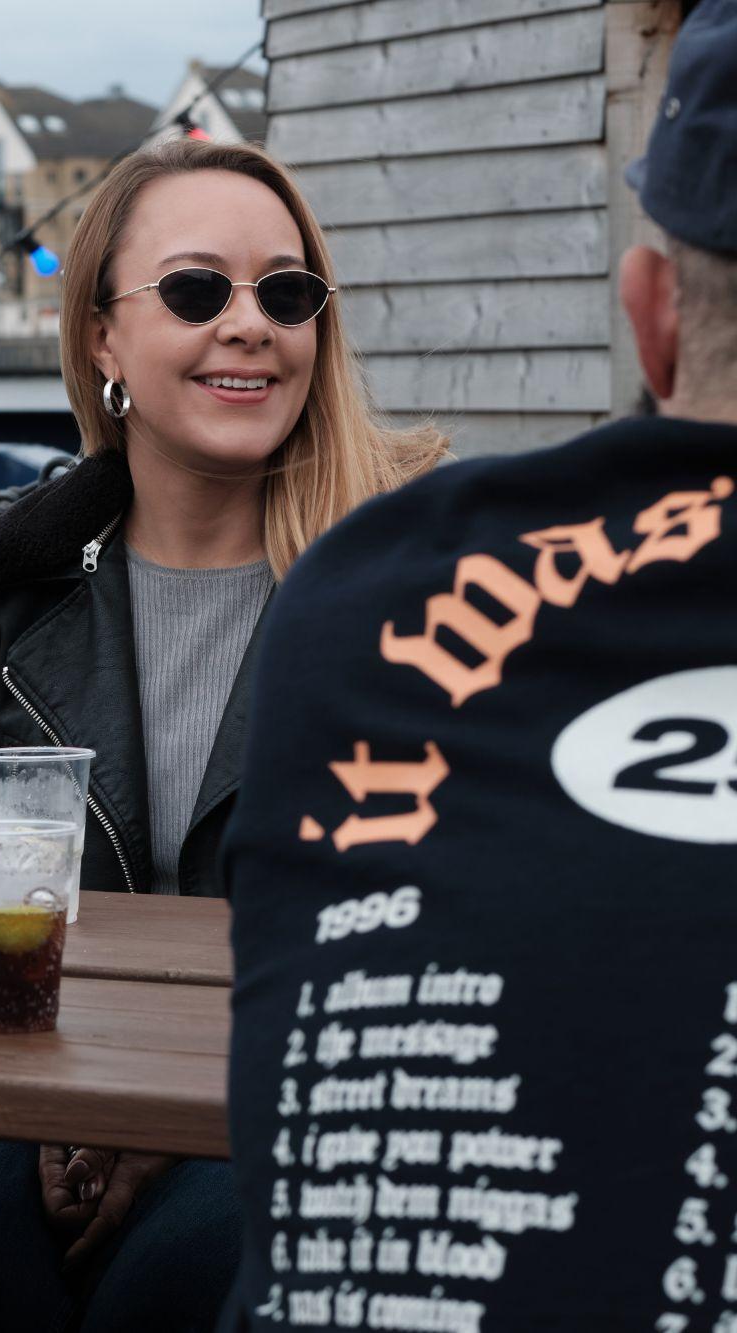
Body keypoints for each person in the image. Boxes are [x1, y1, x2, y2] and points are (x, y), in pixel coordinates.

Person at [0, 137, 444, 1332]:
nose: (250, 324)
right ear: (101, 337)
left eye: (286, 292)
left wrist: (168, 1123)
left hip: (309, 1096)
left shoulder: (410, 584)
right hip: (52, 1095)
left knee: (173, 1288)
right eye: (198, 290)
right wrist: (64, 1116)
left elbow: (434, 937)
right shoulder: (12, 599)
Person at [216, 5, 737, 1328]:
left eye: (285, 297)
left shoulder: (359, 597)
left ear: (651, 317)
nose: (245, 333)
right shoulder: (39, 582)